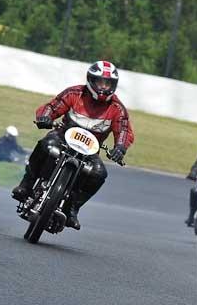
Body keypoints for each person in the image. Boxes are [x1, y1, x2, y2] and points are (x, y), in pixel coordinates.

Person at [11, 60, 133, 230]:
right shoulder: (74, 93)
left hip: (90, 150)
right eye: (100, 82)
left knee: (99, 173)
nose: (104, 87)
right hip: (62, 137)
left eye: (108, 83)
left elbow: (124, 130)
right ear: (90, 80)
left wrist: (120, 148)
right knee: (46, 145)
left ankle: (73, 208)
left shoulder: (117, 108)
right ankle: (26, 183)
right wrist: (45, 117)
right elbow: (53, 106)